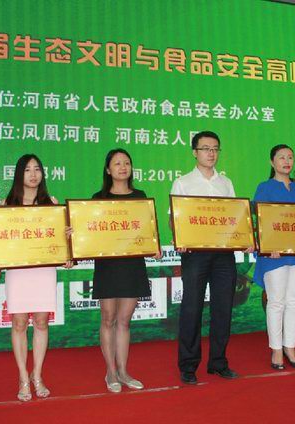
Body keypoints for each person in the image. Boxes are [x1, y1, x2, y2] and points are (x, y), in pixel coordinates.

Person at [171, 131, 246, 385]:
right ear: (195, 152)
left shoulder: (226, 183)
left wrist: (243, 237)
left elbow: (235, 218)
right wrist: (181, 238)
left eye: (215, 148)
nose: (211, 153)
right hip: (195, 254)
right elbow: (174, 219)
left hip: (224, 254)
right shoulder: (183, 182)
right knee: (192, 308)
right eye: (205, 148)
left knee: (223, 308)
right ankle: (188, 365)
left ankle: (218, 362)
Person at [3, 154, 72, 401]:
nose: (33, 174)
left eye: (37, 169)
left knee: (41, 322)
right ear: (18, 174)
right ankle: (23, 377)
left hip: (43, 269)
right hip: (18, 270)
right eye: (27, 170)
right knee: (19, 323)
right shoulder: (7, 205)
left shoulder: (51, 204)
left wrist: (67, 240)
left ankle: (38, 375)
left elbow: (60, 239)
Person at [91, 148, 160, 392]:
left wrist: (154, 245)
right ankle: (110, 372)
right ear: (108, 170)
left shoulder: (140, 197)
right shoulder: (98, 198)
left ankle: (123, 371)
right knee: (108, 318)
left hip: (132, 265)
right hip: (108, 265)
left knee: (124, 321)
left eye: (127, 163)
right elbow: (91, 230)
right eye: (117, 163)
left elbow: (147, 229)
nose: (123, 167)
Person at [253, 144, 295, 370]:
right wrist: (267, 245)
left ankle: (290, 347)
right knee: (276, 302)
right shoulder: (264, 188)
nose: (286, 161)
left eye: (290, 157)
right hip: (274, 255)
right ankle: (276, 349)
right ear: (272, 162)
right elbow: (261, 222)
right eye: (281, 157)